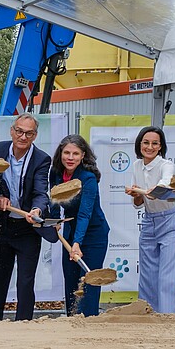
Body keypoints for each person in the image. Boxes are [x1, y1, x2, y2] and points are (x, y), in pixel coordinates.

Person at [0, 113, 56, 321]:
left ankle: (24, 324)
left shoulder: (42, 159)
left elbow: (41, 191)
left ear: (35, 135)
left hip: (27, 229)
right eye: (19, 131)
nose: (23, 137)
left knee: (25, 282)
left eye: (29, 133)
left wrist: (37, 210)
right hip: (2, 226)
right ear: (12, 131)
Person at [124, 126, 175, 313]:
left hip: (171, 222)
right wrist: (136, 193)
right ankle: (148, 316)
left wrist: (156, 191)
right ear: (139, 144)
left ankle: (170, 317)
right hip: (149, 222)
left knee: (168, 276)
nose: (150, 147)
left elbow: (165, 184)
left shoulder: (165, 165)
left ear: (161, 146)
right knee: (147, 275)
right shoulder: (137, 166)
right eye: (146, 142)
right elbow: (138, 203)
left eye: (155, 143)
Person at [50, 134, 110, 317]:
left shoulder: (88, 178)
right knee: (71, 283)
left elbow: (85, 213)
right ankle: (73, 323)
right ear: (60, 153)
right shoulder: (56, 173)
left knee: (88, 283)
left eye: (75, 153)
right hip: (70, 233)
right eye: (66, 152)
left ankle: (89, 324)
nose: (70, 157)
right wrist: (55, 222)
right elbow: (54, 199)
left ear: (83, 155)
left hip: (93, 235)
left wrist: (77, 243)